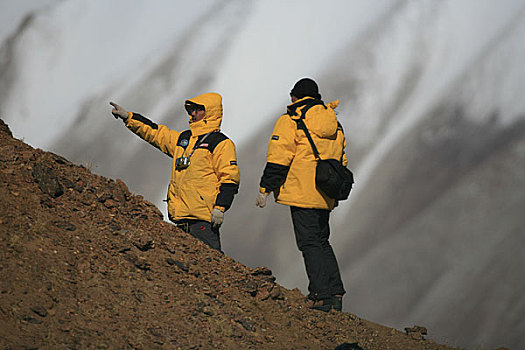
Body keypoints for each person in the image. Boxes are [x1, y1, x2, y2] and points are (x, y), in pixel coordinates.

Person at [256, 78, 347, 311]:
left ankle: (320, 295)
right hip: (325, 191)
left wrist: (265, 188)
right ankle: (335, 292)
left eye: (292, 96)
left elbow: (279, 157)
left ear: (297, 97)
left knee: (308, 242)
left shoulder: (291, 120)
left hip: (301, 190)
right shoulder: (334, 123)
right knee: (321, 240)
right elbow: (341, 159)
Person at [110, 92, 240, 252]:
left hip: (203, 222)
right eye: (191, 110)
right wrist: (129, 117)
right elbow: (157, 133)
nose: (192, 113)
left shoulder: (221, 143)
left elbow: (230, 178)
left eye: (198, 110)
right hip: (179, 221)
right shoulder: (184, 139)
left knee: (212, 263)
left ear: (210, 112)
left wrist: (220, 208)